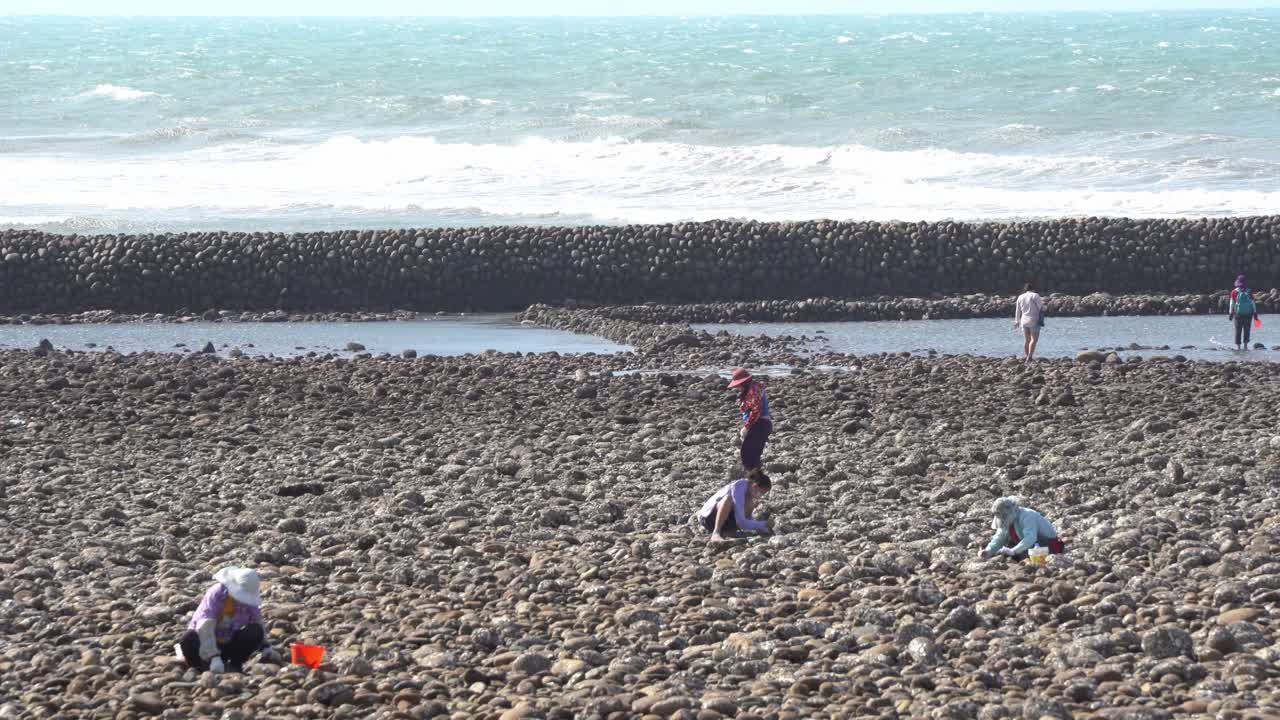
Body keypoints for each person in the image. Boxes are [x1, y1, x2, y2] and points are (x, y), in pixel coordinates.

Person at [176, 566, 279, 673]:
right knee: (188, 638)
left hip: (227, 642)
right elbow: (205, 626)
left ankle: (235, 665)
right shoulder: (216, 593)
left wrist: (265, 646)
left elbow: (258, 622)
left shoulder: (249, 601)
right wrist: (214, 656)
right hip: (203, 642)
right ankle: (200, 668)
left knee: (255, 630)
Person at [980, 496, 1065, 560]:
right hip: (1026, 543)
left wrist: (1013, 551)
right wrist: (988, 551)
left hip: (1047, 543)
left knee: (1024, 552)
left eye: (1004, 517)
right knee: (1006, 545)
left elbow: (1030, 538)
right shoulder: (1008, 521)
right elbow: (999, 537)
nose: (1003, 520)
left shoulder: (1027, 516)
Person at [698, 470, 772, 542]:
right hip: (708, 519)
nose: (760, 495)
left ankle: (728, 532)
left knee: (751, 502)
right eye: (760, 492)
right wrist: (764, 524)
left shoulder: (750, 494)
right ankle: (716, 532)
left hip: (727, 520)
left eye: (762, 493)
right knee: (728, 498)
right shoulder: (739, 486)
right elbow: (741, 522)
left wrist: (765, 528)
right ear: (754, 485)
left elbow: (746, 519)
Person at [728, 368, 772, 472]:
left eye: (738, 385)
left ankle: (753, 480)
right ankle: (755, 479)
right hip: (762, 425)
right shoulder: (755, 387)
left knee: (748, 455)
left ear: (743, 383)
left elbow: (756, 411)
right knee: (753, 455)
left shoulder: (752, 392)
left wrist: (747, 426)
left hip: (759, 425)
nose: (737, 388)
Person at [1013, 282, 1045, 362]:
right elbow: (1041, 307)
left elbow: (1018, 310)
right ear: (1033, 289)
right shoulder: (1035, 295)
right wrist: (1046, 308)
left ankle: (1027, 356)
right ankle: (1029, 357)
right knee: (1034, 339)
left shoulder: (1020, 297)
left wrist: (1017, 321)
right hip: (1034, 320)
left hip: (1023, 321)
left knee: (1027, 340)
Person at [1228, 274, 1260, 350]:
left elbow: (1232, 303)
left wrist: (1230, 313)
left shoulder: (1234, 292)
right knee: (1247, 330)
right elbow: (1252, 303)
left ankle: (1238, 347)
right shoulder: (1249, 291)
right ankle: (1245, 346)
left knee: (1238, 330)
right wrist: (1255, 313)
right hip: (1248, 314)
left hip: (1238, 314)